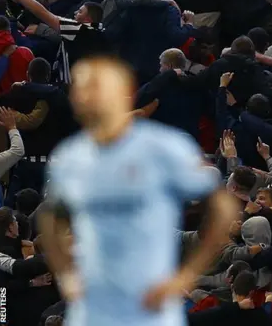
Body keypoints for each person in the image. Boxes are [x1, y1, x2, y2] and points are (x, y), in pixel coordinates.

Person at [37, 57, 237, 326]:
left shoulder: (164, 146)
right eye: (80, 92)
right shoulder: (71, 155)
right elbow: (50, 217)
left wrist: (186, 276)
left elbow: (223, 206)